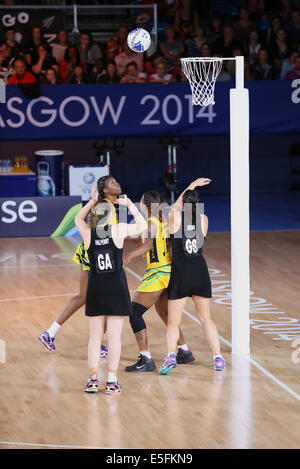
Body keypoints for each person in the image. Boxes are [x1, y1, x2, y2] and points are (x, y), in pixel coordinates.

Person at [37, 176, 120, 357]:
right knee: (105, 301)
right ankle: (96, 344)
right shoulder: (106, 206)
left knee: (83, 297)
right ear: (105, 190)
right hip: (96, 254)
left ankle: (49, 333)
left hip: (90, 253)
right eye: (113, 183)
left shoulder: (105, 204)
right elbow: (95, 230)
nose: (117, 184)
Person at [75, 189, 147, 394]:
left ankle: (92, 380)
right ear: (110, 215)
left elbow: (77, 218)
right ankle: (112, 381)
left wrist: (91, 200)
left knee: (95, 337)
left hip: (96, 289)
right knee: (114, 337)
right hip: (116, 289)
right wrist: (130, 205)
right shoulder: (117, 230)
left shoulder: (88, 233)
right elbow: (142, 227)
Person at [159, 178, 226, 375]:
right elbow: (187, 206)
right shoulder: (204, 220)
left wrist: (190, 185)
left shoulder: (175, 218)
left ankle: (171, 355)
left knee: (173, 322)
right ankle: (218, 357)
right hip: (200, 272)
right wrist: (193, 190)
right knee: (206, 319)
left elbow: (175, 206)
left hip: (181, 274)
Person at [124, 191, 194, 373]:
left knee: (134, 313)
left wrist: (129, 255)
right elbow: (147, 240)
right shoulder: (164, 220)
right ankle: (184, 350)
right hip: (170, 272)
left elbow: (148, 244)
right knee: (164, 313)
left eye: (139, 201)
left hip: (158, 273)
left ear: (146, 205)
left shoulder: (150, 222)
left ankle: (146, 358)